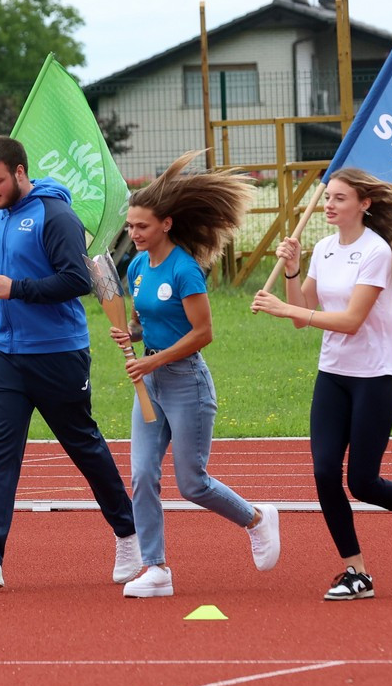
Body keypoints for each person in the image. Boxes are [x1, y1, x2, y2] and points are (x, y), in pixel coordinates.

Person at [0, 135, 139, 591]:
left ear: (20, 172)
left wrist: (19, 289)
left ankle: (130, 533)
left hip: (57, 354)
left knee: (83, 446)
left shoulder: (56, 215)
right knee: (0, 453)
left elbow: (75, 280)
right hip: (3, 357)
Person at [250, 167, 392, 600]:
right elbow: (304, 310)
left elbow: (349, 321)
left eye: (339, 198)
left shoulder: (375, 251)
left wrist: (286, 311)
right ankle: (356, 572)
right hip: (333, 376)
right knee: (325, 472)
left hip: (374, 378)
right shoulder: (325, 248)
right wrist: (292, 271)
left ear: (364, 205)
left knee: (363, 482)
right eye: (327, 197)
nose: (329, 205)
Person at [108, 164, 280, 599]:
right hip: (151, 385)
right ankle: (156, 568)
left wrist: (154, 362)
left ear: (166, 223)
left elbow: (203, 333)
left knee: (192, 483)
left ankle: (256, 519)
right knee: (142, 476)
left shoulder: (185, 270)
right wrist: (130, 335)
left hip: (187, 383)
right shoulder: (137, 269)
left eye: (142, 226)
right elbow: (144, 322)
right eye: (130, 226)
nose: (135, 233)